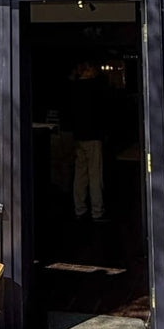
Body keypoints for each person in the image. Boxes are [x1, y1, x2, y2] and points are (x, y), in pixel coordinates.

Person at [65, 61, 107, 221]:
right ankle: (97, 210)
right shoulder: (95, 89)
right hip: (93, 136)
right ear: (88, 70)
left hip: (78, 136)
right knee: (95, 174)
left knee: (80, 174)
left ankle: (79, 208)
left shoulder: (73, 88)